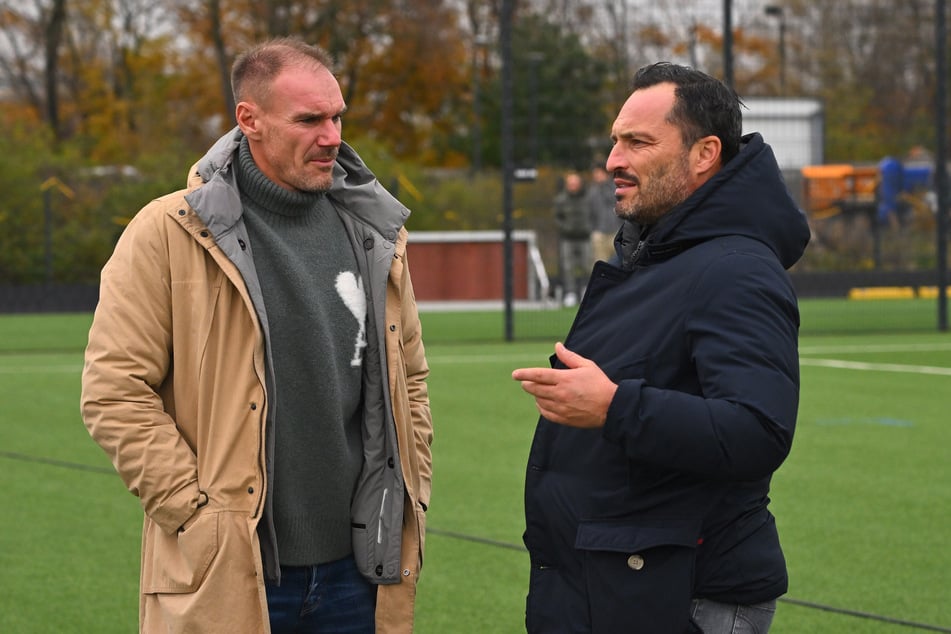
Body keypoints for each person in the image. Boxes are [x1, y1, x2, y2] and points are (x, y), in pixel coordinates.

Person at [80, 37, 433, 634]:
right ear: (250, 120)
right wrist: (196, 514)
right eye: (310, 119)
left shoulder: (373, 233)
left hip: (359, 575)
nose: (332, 136)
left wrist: (412, 485)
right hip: (231, 572)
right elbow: (114, 391)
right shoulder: (168, 231)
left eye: (337, 116)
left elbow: (411, 377)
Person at [513, 62, 810, 633]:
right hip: (621, 583)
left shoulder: (736, 269)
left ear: (704, 154)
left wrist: (613, 407)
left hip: (682, 593)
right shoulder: (657, 255)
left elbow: (757, 430)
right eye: (615, 141)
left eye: (637, 142)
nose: (613, 161)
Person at [552, 171, 593, 306]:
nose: (573, 186)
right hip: (567, 238)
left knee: (588, 265)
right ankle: (570, 293)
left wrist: (589, 227)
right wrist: (565, 228)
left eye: (575, 183)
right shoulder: (560, 199)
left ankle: (586, 291)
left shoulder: (588, 198)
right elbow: (557, 218)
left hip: (585, 237)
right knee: (568, 267)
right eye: (571, 183)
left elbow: (594, 214)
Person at [586, 163, 622, 263]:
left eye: (598, 173)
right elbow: (589, 211)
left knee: (618, 263)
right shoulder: (592, 191)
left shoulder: (616, 188)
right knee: (600, 263)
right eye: (595, 173)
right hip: (599, 234)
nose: (596, 176)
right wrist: (593, 230)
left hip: (616, 232)